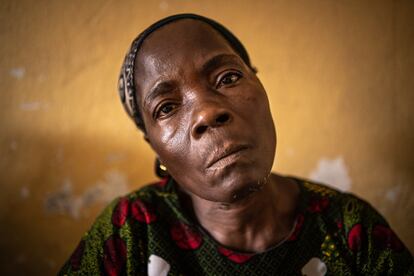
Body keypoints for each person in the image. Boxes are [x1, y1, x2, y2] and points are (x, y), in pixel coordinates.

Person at [59, 14, 413, 275]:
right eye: (166, 107)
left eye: (228, 78)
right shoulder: (131, 233)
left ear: (260, 88)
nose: (208, 113)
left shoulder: (350, 231)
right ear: (154, 147)